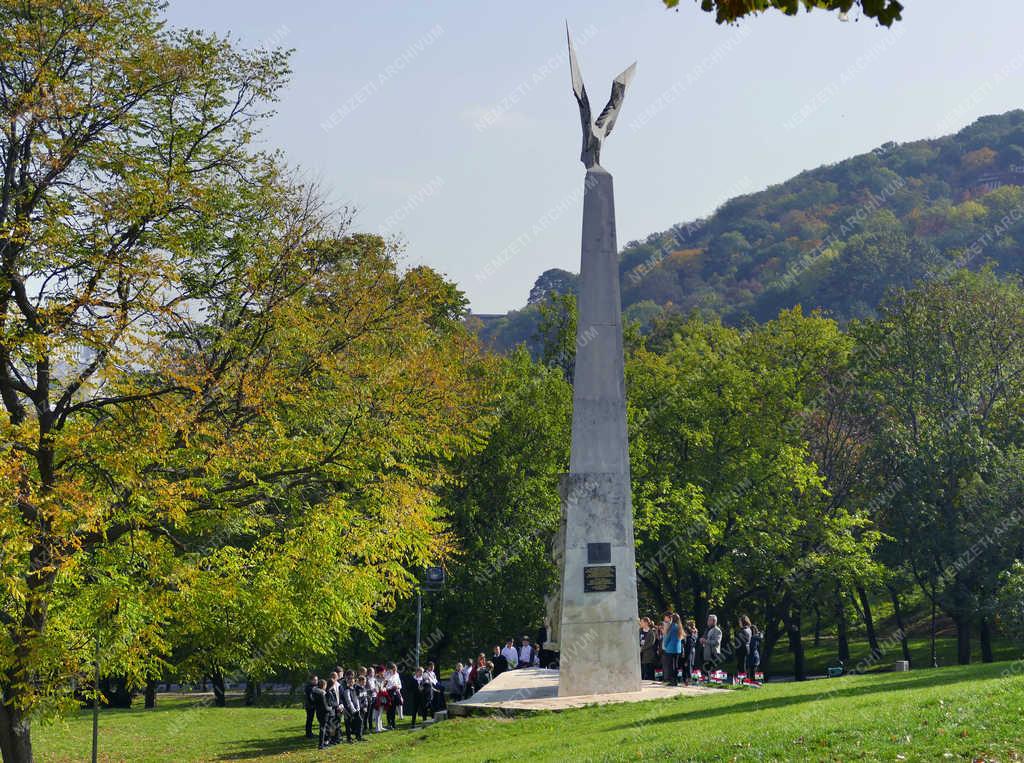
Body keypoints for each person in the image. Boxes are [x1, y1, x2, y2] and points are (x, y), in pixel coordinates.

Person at [340, 670, 363, 743]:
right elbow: (348, 701)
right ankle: (349, 738)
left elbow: (356, 699)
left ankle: (359, 736)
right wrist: (353, 710)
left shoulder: (354, 689)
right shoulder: (346, 690)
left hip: (356, 709)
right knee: (348, 723)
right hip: (348, 709)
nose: (351, 682)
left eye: (352, 681)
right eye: (350, 681)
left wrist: (358, 708)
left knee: (359, 721)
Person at [661, 612, 682, 686]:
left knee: (670, 666)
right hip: (677, 649)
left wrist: (665, 645)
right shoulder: (679, 627)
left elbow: (667, 638)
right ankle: (675, 680)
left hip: (670, 649)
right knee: (675, 665)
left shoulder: (672, 627)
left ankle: (672, 681)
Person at [311, 678, 330, 749]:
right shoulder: (322, 694)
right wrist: (330, 708)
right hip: (324, 713)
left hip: (318, 712)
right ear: (324, 685)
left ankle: (323, 742)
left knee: (322, 727)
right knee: (323, 728)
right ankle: (321, 744)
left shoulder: (315, 692)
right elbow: (325, 706)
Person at [303, 674, 318, 738]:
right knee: (309, 720)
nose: (316, 681)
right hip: (310, 706)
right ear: (311, 680)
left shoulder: (314, 686)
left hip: (312, 705)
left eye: (317, 680)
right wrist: (314, 703)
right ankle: (308, 733)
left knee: (310, 719)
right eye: (315, 680)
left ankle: (309, 732)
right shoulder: (309, 687)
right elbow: (310, 697)